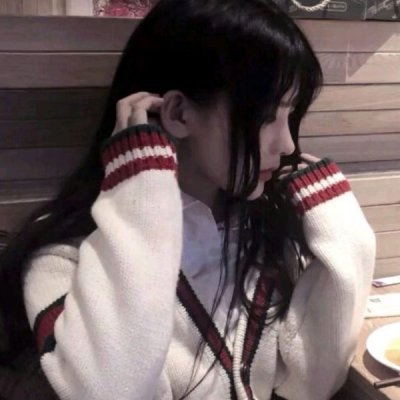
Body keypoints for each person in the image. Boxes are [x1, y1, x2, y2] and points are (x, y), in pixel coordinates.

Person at [0, 0, 376, 399]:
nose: (287, 145)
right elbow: (113, 391)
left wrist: (350, 240)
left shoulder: (260, 232)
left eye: (291, 115)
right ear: (179, 114)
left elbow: (310, 385)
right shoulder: (62, 259)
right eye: (267, 116)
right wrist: (141, 191)